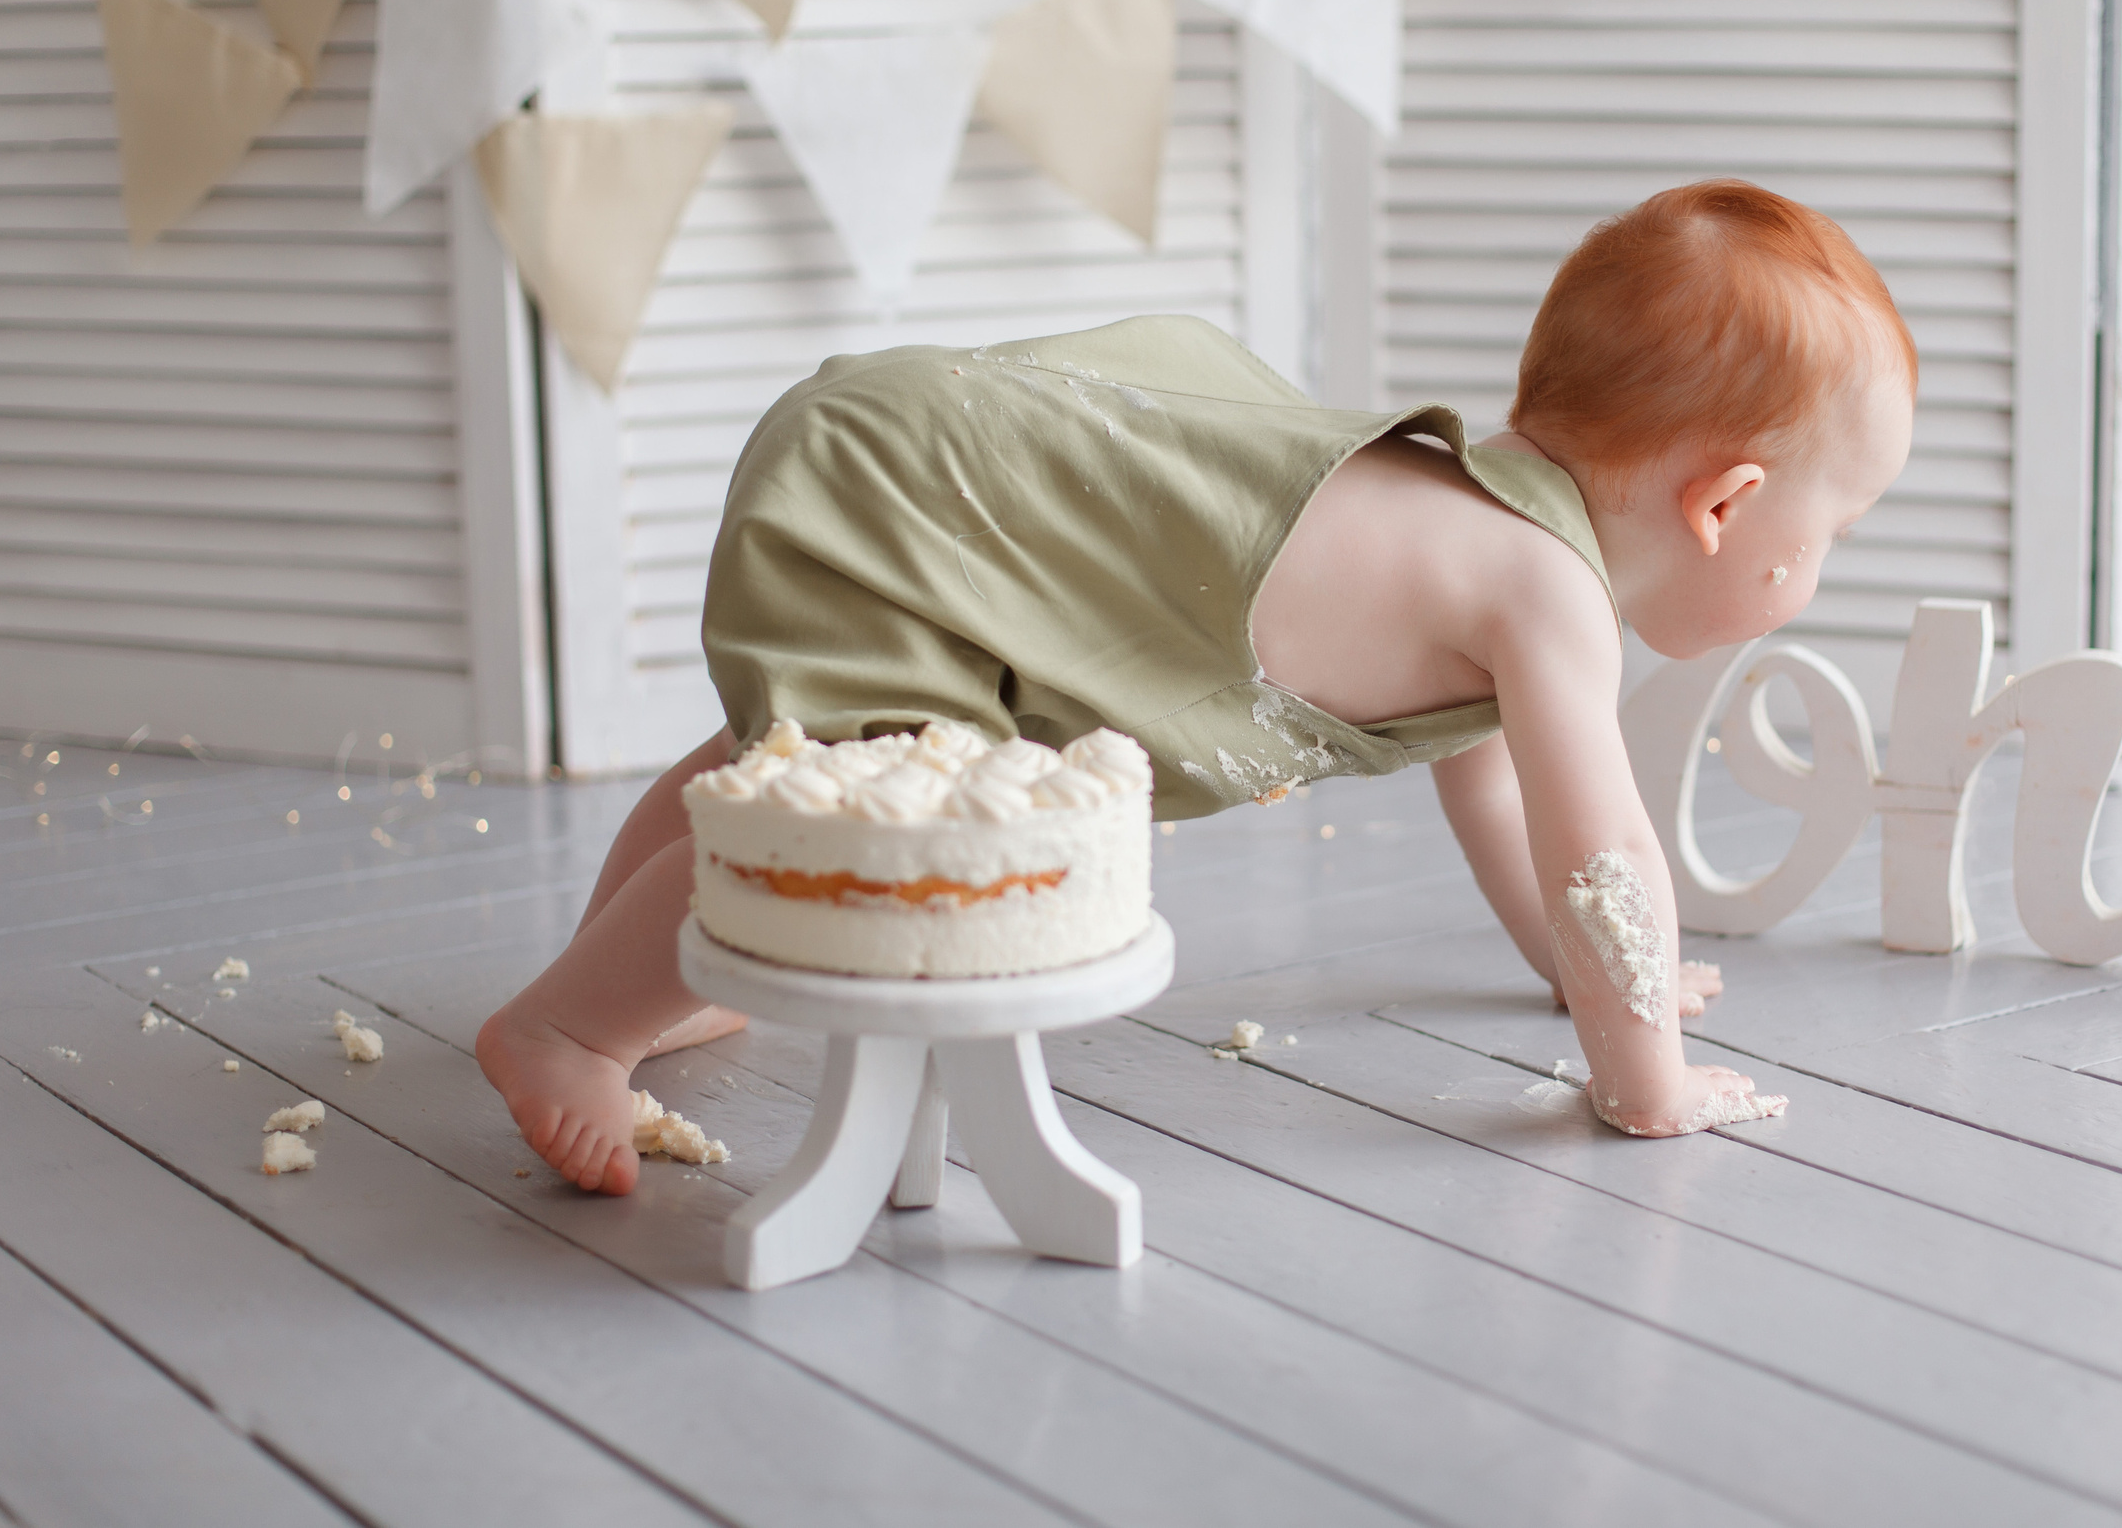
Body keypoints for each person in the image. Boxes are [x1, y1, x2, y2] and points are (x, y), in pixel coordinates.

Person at [479, 178, 1918, 1193]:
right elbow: (1606, 849)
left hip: (943, 491)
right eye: (1831, 533)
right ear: (1724, 507)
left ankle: (637, 967)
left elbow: (1508, 796)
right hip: (924, 492)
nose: (1826, 563)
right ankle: (566, 1025)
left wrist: (1565, 960)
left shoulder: (1503, 558)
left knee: (787, 754)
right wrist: (1645, 1076)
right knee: (851, 800)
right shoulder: (1545, 593)